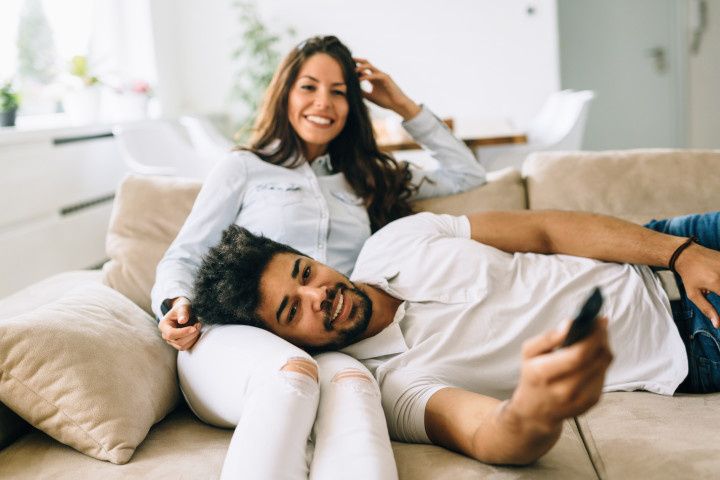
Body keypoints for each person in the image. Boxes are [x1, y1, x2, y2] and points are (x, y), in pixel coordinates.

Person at [151, 35, 486, 479]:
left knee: (352, 389)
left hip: (331, 340)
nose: (323, 102)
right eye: (309, 87)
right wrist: (175, 303)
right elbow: (185, 254)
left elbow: (467, 173)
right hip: (252, 338)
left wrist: (402, 104)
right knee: (292, 374)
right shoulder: (244, 168)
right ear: (285, 93)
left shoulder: (366, 177)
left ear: (353, 106)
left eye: (339, 91)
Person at [191, 209, 720, 466]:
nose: (319, 295)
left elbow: (547, 231)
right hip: (691, 341)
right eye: (292, 309)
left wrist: (681, 253)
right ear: (287, 342)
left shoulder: (394, 240)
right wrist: (535, 408)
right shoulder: (393, 386)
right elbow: (488, 434)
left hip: (660, 245)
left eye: (305, 273)